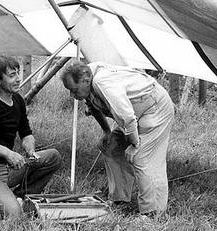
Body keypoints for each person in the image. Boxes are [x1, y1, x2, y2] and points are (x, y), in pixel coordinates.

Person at [60, 60, 175, 216]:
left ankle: (152, 213)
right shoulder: (88, 76)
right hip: (136, 113)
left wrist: (135, 144)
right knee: (111, 145)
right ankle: (120, 199)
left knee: (142, 156)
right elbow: (93, 106)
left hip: (155, 108)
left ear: (86, 81)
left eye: (74, 90)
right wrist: (107, 131)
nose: (72, 95)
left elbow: (126, 117)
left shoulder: (102, 81)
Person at [0, 56, 62, 218]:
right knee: (15, 215)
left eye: (18, 73)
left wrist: (30, 150)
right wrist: (8, 154)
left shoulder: (17, 100)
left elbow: (26, 133)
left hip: (8, 169)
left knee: (53, 156)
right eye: (12, 75)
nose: (18, 79)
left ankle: (21, 196)